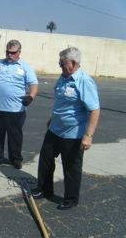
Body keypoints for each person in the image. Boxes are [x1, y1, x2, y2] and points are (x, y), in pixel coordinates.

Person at [32, 47, 100, 210]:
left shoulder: (84, 81)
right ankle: (44, 190)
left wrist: (88, 135)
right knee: (46, 160)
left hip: (73, 133)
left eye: (62, 63)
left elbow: (94, 110)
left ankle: (70, 199)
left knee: (71, 168)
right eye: (59, 63)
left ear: (74, 63)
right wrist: (52, 118)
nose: (60, 66)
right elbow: (61, 102)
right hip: (55, 129)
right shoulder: (63, 78)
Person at [0, 39, 38, 169]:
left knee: (14, 136)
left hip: (16, 110)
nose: (10, 55)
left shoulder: (25, 66)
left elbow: (33, 84)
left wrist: (31, 96)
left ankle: (15, 159)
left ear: (19, 52)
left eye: (13, 52)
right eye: (8, 52)